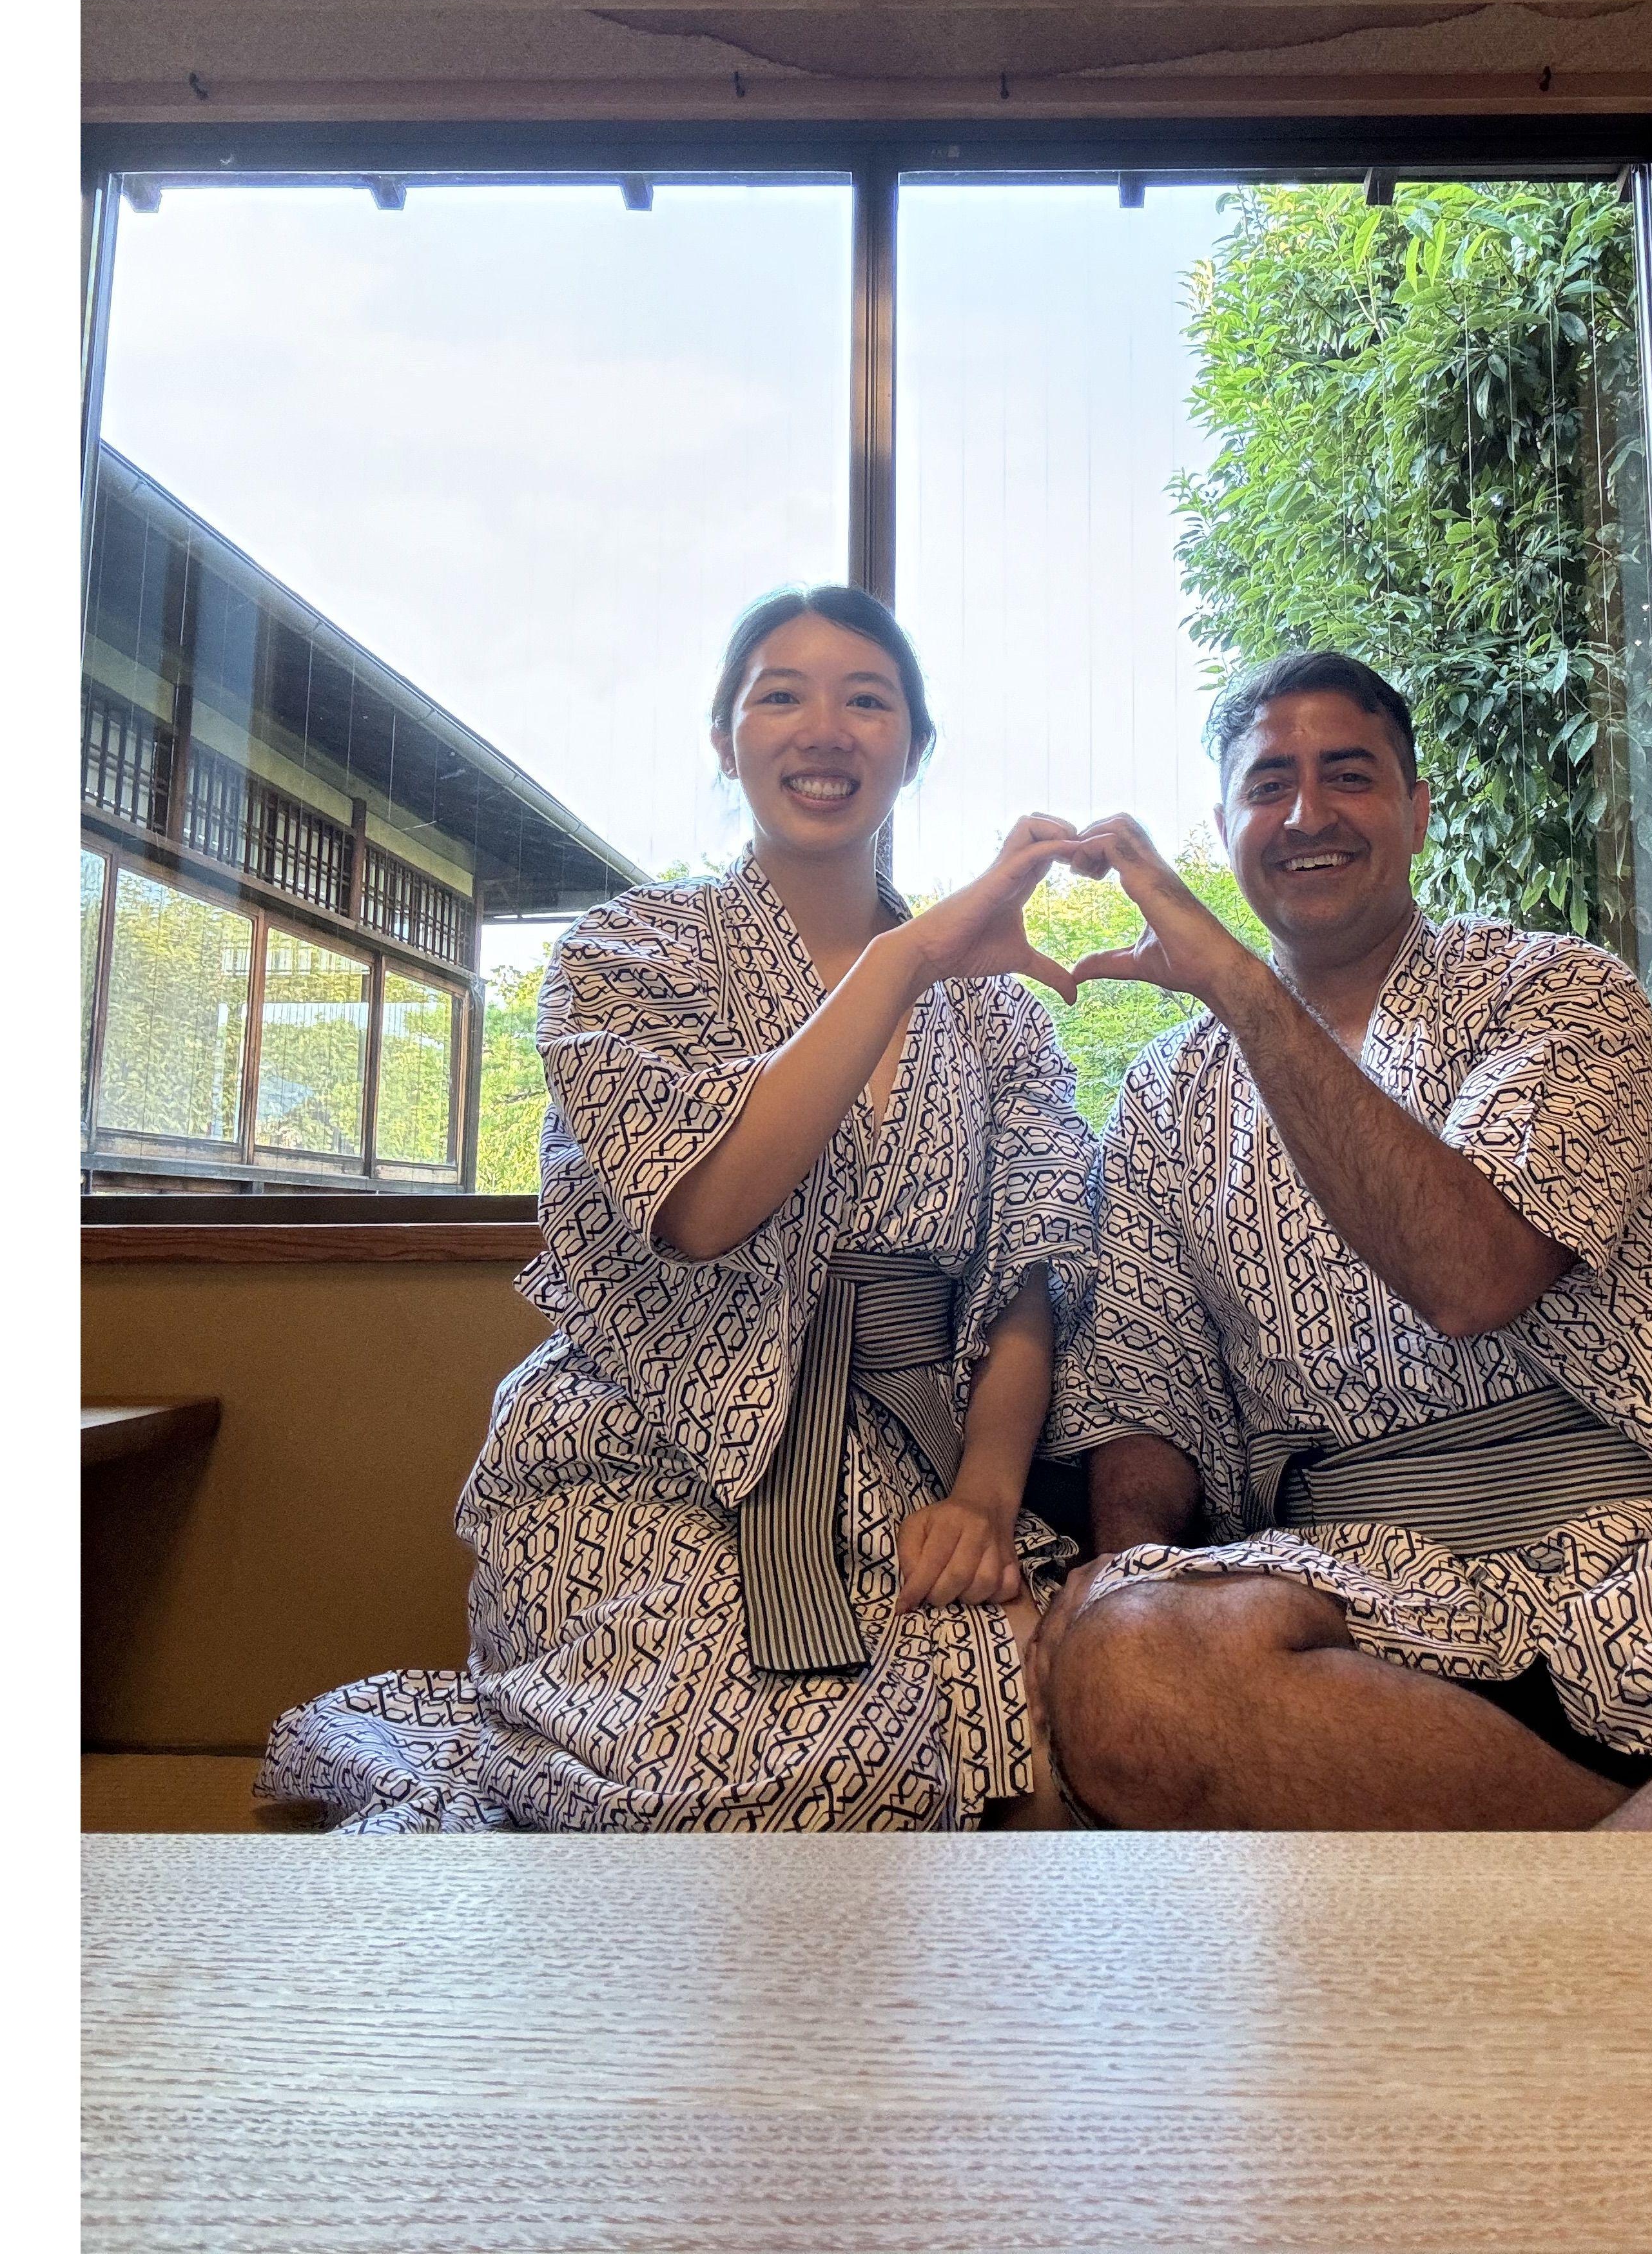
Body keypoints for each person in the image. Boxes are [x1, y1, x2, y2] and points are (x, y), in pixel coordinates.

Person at [1029, 650, 1652, 1831]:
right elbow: (1143, 1391)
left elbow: (1472, 1273)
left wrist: (1246, 992)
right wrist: (1131, 1564)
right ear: (1224, 827)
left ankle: (1580, 1895)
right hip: (1356, 1603)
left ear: (1416, 810)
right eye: (1268, 786)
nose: (1306, 815)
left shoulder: (1560, 992)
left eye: (1348, 775)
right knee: (1128, 1669)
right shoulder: (1163, 1096)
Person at [260, 587, 1098, 1830]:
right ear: (724, 737)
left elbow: (1031, 1270)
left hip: (907, 1471)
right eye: (781, 696)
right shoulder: (626, 955)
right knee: (739, 1795)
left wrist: (982, 1498)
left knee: (1046, 1747)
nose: (826, 729)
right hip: (642, 1452)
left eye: (869, 701)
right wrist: (908, 957)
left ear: (914, 746)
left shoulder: (1001, 1012)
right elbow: (706, 1207)